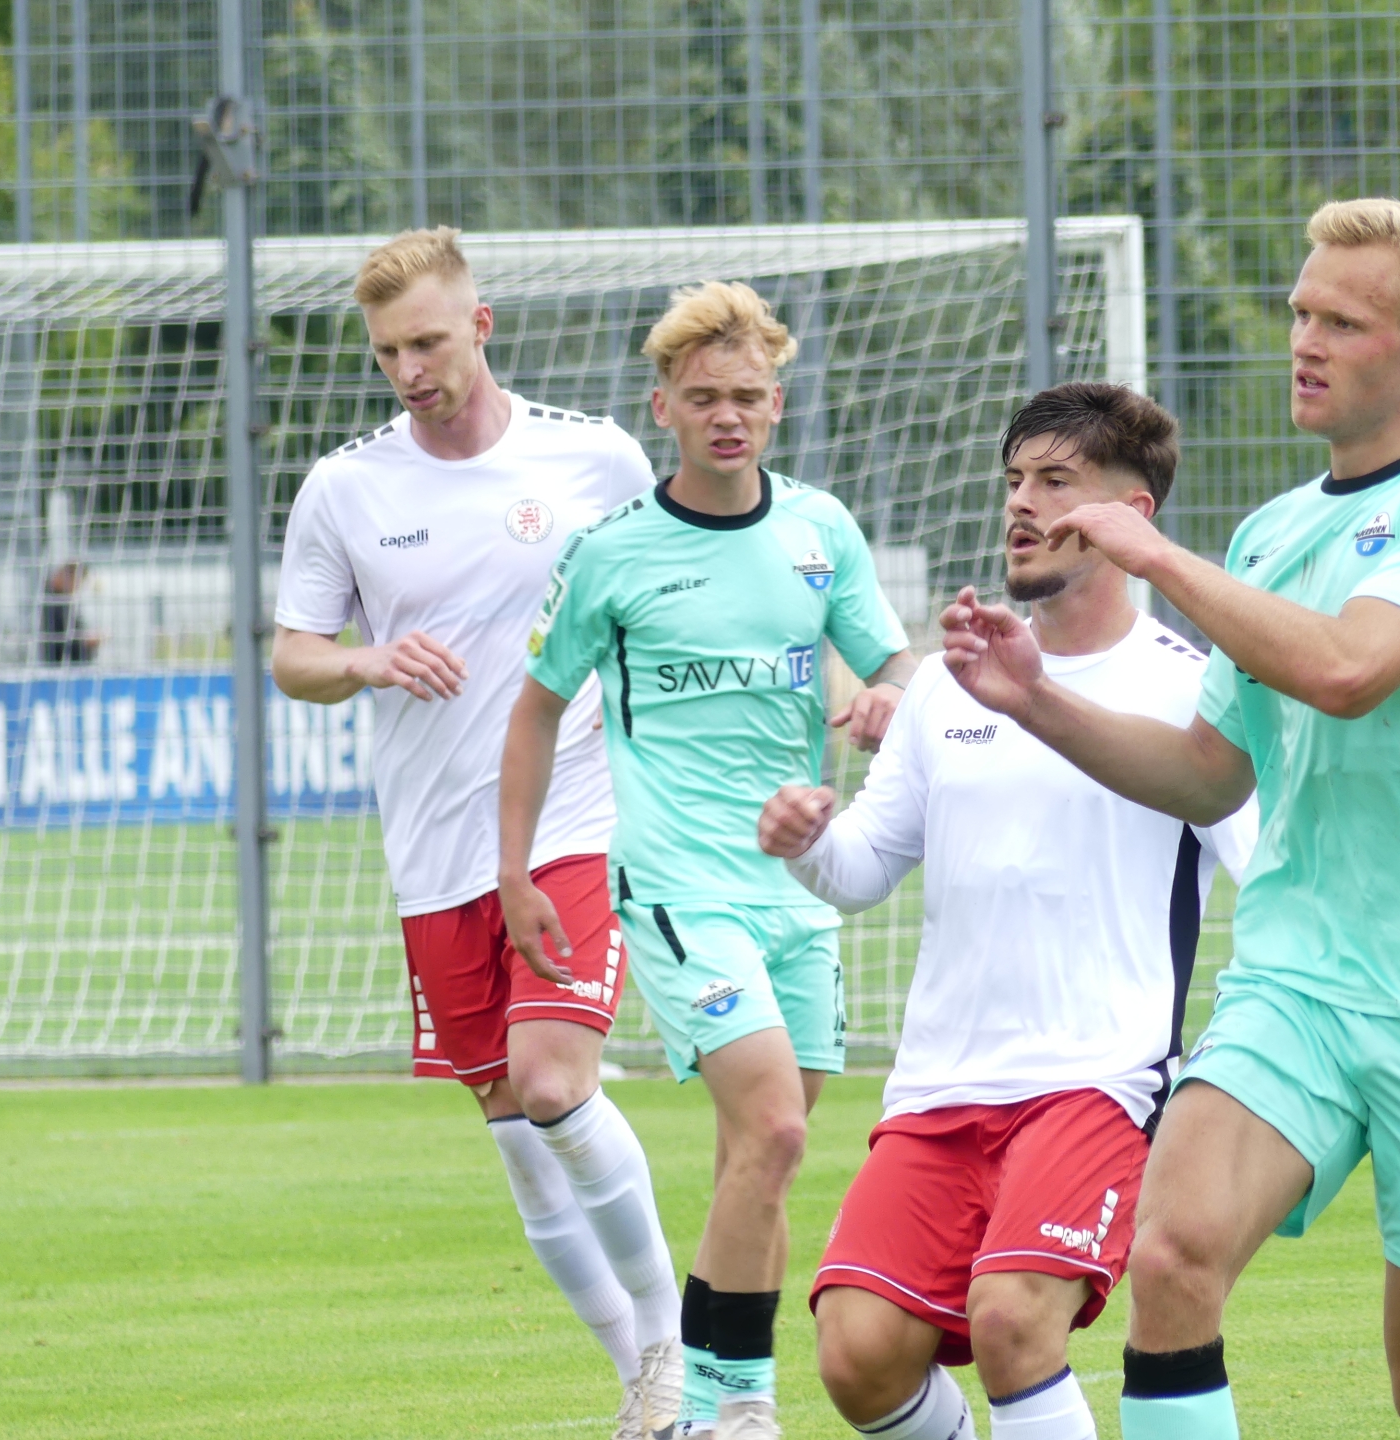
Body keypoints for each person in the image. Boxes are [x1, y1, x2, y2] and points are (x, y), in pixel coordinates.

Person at [941, 199, 1400, 1440]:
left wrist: (1154, 557)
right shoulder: (1272, 534)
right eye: (1300, 312)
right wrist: (1034, 701)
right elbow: (1209, 776)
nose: (1306, 341)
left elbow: (1348, 668)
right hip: (1297, 980)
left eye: (1343, 321)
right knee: (1170, 1256)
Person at [757, 382, 1257, 1440]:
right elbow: (862, 869)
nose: (1022, 503)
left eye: (1057, 482)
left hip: (1099, 1081)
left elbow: (1272, 881)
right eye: (1016, 479)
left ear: (1132, 516)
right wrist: (808, 842)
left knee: (1013, 1320)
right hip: (942, 1085)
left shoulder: (1194, 690)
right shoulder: (948, 686)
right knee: (856, 1355)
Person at [271, 227, 683, 1440]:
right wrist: (365, 660)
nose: (410, 370)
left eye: (429, 343)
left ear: (482, 326)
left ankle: (680, 1349)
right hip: (435, 853)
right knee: (514, 1127)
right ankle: (642, 1385)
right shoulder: (346, 488)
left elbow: (663, 597)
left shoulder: (593, 458)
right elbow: (293, 655)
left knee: (554, 1082)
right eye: (388, 352)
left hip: (574, 818)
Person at [499, 281, 917, 1440]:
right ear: (665, 410)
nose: (726, 416)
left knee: (761, 1158)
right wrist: (517, 873)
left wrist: (888, 699)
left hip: (802, 889)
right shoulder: (611, 553)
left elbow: (893, 666)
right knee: (774, 1129)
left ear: (776, 405)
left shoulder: (821, 533)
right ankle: (717, 1408)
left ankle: (732, 1406)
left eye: (746, 396)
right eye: (703, 399)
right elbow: (534, 711)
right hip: (679, 888)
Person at [39, 561, 99, 665]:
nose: (77, 587)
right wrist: (86, 641)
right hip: (59, 664)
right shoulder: (51, 601)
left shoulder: (60, 599)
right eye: (78, 582)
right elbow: (61, 637)